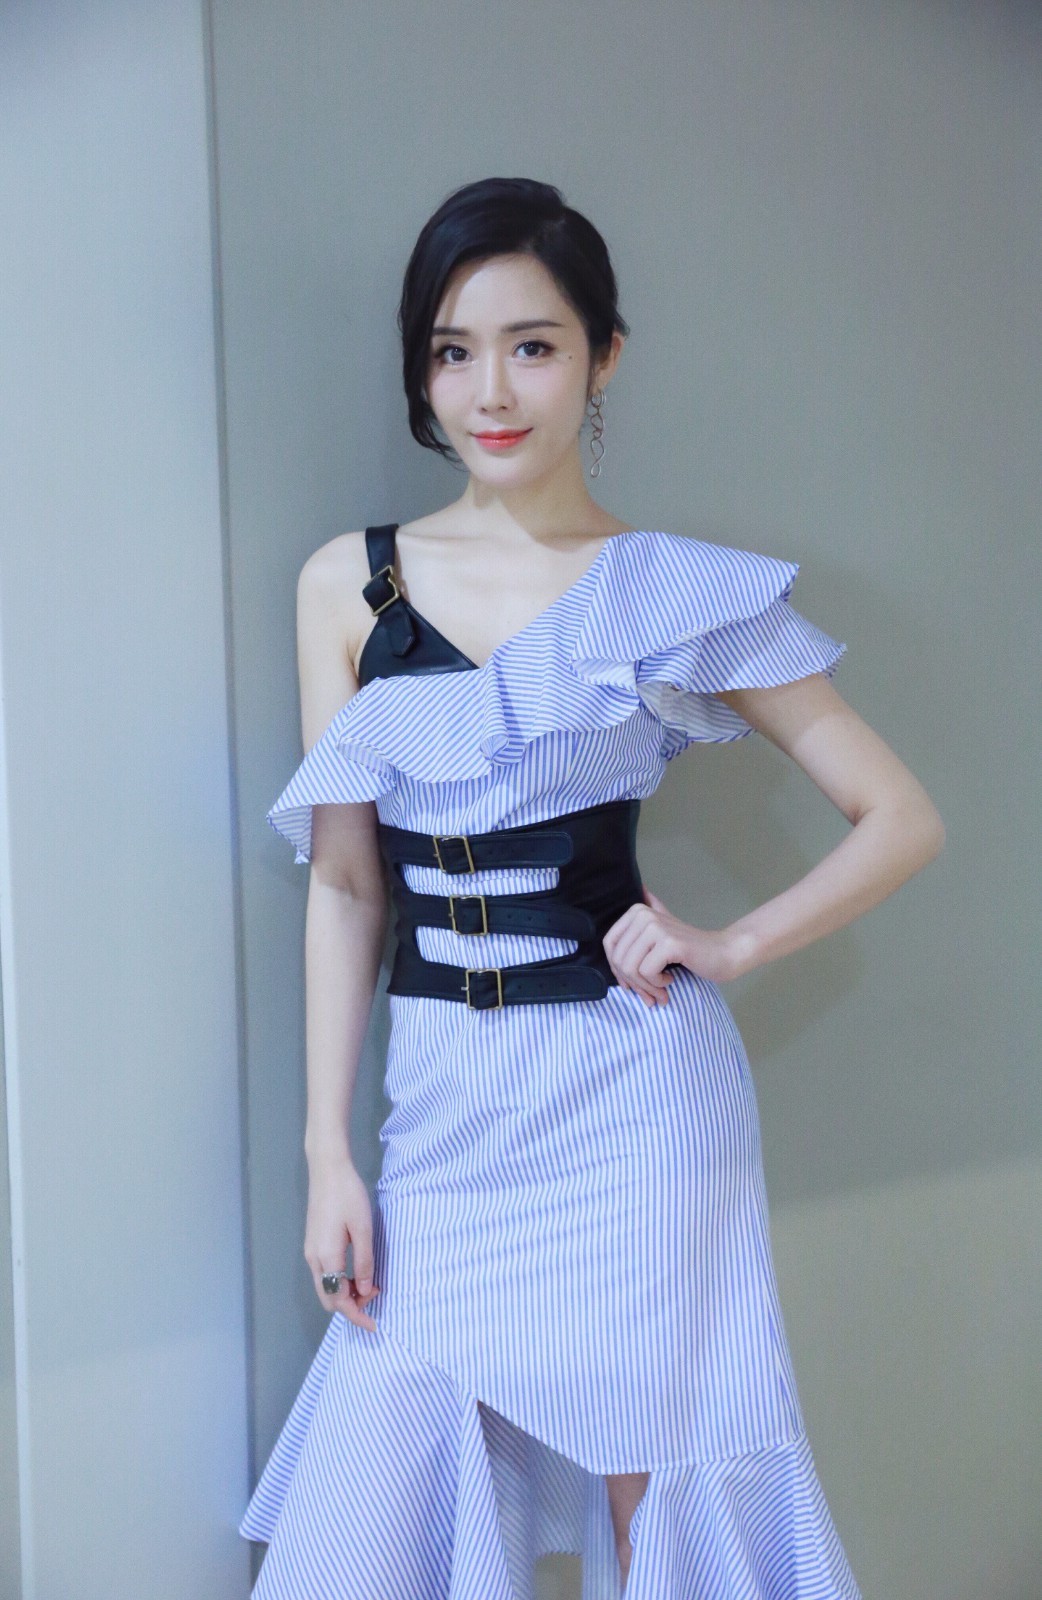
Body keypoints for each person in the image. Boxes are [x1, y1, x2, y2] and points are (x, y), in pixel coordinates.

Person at [239, 177, 945, 1598]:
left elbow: (900, 816)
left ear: (603, 355)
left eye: (533, 345)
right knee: (391, 1487)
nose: (490, 391)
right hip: (445, 1106)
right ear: (419, 370)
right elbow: (349, 890)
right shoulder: (347, 586)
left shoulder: (668, 587)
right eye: (453, 351)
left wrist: (732, 941)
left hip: (635, 1103)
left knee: (659, 1486)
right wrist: (328, 1155)